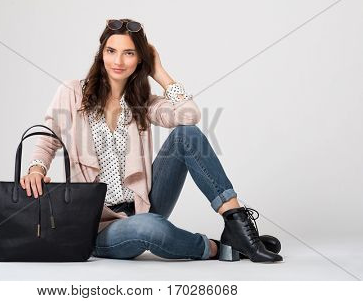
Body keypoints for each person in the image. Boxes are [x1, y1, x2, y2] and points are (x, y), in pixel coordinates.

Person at [20, 18, 283, 262]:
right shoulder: (71, 92)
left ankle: (237, 224)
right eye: (111, 51)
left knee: (186, 135)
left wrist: (159, 72)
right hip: (97, 226)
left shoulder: (143, 102)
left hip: (143, 204)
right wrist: (36, 168)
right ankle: (219, 248)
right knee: (149, 228)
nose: (118, 60)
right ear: (101, 54)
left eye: (129, 53)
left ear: (139, 60)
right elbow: (48, 136)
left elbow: (189, 116)